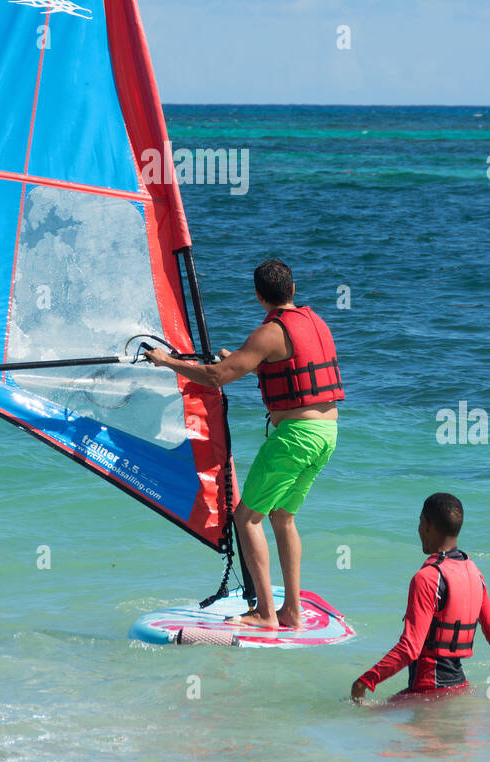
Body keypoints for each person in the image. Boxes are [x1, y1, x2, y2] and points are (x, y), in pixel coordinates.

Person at [144, 258, 343, 630]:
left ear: (257, 295)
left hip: (296, 437)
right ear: (293, 290)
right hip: (327, 433)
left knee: (246, 517)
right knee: (283, 517)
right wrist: (246, 364)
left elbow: (217, 377)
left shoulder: (268, 333)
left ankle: (266, 614)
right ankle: (292, 613)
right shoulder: (315, 322)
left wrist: (167, 361)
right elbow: (291, 367)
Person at [350, 493, 490, 701]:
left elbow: (410, 648)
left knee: (356, 717)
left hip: (428, 692)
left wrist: (365, 681)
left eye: (419, 522)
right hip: (459, 688)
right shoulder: (475, 574)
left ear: (426, 525)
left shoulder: (427, 578)